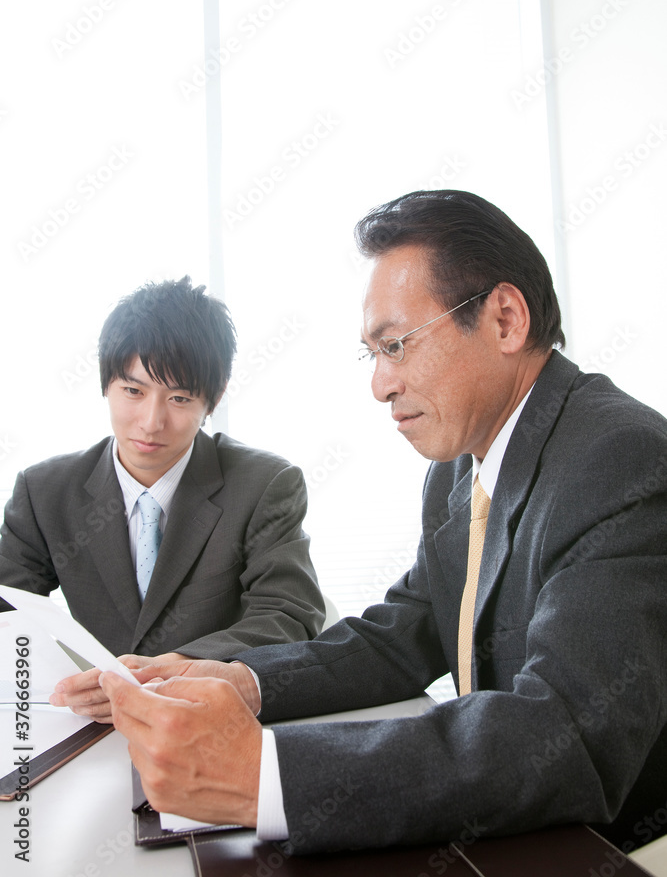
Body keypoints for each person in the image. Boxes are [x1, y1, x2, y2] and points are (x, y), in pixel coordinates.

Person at [99, 192, 667, 856]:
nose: (380, 385)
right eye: (372, 353)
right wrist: (240, 678)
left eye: (395, 345)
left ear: (505, 319)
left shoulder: (619, 458)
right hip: (509, 826)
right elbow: (402, 636)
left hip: (617, 849)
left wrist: (267, 776)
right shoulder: (460, 467)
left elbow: (571, 732)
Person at [0, 276, 325, 714]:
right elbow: (8, 613)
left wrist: (174, 668)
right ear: (105, 384)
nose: (151, 422)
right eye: (133, 391)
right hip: (89, 721)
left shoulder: (264, 485)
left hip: (210, 719)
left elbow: (289, 616)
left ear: (213, 400)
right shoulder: (44, 493)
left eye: (179, 398)